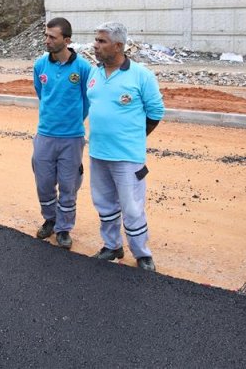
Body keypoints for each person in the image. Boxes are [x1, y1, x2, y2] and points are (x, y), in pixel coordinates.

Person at [86, 22, 164, 272]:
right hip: (98, 153)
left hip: (127, 157)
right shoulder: (94, 73)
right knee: (104, 203)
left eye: (101, 41)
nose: (95, 46)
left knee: (131, 207)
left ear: (118, 46)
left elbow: (155, 112)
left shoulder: (141, 75)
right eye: (96, 40)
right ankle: (112, 246)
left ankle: (141, 253)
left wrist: (134, 139)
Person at [31, 17, 91, 250]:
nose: (47, 40)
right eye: (46, 35)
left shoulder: (83, 68)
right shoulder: (40, 65)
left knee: (68, 184)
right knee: (44, 183)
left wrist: (74, 121)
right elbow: (41, 93)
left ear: (66, 40)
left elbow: (88, 99)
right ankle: (50, 219)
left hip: (72, 137)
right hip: (45, 134)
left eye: (52, 37)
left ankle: (64, 228)